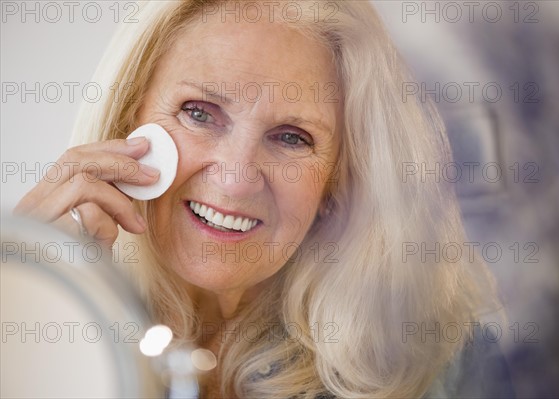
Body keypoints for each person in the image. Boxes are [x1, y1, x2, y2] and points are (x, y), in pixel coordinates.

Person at [14, 1, 514, 398]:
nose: (235, 180)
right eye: (199, 112)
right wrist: (23, 297)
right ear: (129, 117)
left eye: (292, 137)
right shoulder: (42, 332)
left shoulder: (443, 365)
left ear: (340, 181)